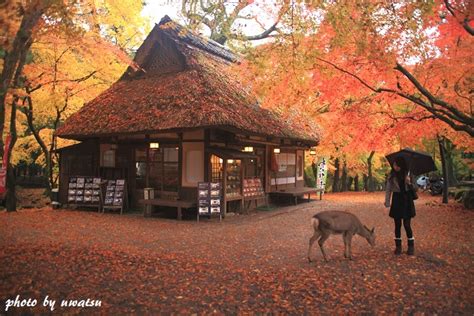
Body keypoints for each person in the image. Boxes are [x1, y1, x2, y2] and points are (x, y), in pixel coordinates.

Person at [384, 156, 416, 255]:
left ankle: (411, 247)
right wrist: (387, 201)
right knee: (397, 225)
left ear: (400, 165)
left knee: (407, 225)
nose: (394, 166)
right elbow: (388, 189)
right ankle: (398, 247)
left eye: (396, 164)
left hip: (407, 200)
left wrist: (409, 183)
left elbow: (416, 189)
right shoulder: (392, 176)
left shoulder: (409, 174)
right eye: (393, 165)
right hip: (397, 200)